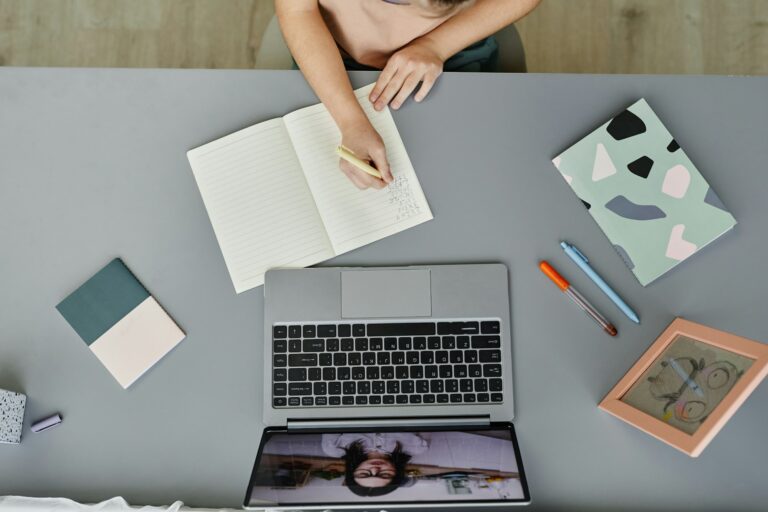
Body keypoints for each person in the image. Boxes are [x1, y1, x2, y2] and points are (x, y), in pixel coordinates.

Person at [276, 0, 541, 190]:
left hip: (450, 48)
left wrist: (436, 45)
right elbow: (297, 10)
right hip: (332, 55)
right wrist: (350, 122)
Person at [322, 432, 430, 496]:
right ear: (397, 474)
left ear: (353, 472)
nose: (375, 469)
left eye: (364, 474)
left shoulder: (333, 448)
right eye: (385, 475)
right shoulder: (418, 448)